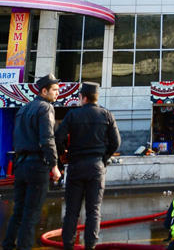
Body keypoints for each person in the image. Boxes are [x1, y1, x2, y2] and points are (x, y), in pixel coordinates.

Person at [55, 82, 121, 250]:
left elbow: (58, 138)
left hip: (76, 166)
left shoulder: (72, 115)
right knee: (93, 211)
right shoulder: (106, 115)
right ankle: (90, 245)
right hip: (96, 167)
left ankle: (68, 245)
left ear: (83, 97)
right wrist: (103, 158)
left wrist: (64, 154)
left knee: (72, 211)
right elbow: (116, 142)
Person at [2, 73, 62, 250]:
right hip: (37, 166)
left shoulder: (23, 109)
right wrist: (54, 166)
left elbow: (17, 137)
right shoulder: (46, 108)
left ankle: (8, 245)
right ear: (44, 91)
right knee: (31, 213)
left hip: (20, 165)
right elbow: (47, 139)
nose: (57, 93)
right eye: (54, 90)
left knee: (18, 211)